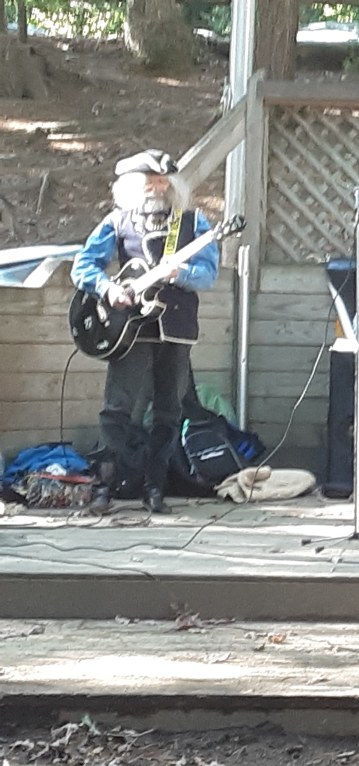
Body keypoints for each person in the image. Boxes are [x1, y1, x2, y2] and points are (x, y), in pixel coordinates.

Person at [70, 149, 220, 515]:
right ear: (132, 187)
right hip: (129, 332)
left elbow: (209, 274)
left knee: (169, 412)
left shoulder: (194, 223)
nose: (158, 188)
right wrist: (108, 289)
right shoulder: (117, 221)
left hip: (177, 330)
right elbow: (83, 265)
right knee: (118, 410)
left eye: (163, 181)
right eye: (150, 182)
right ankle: (107, 486)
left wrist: (180, 273)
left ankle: (155, 487)